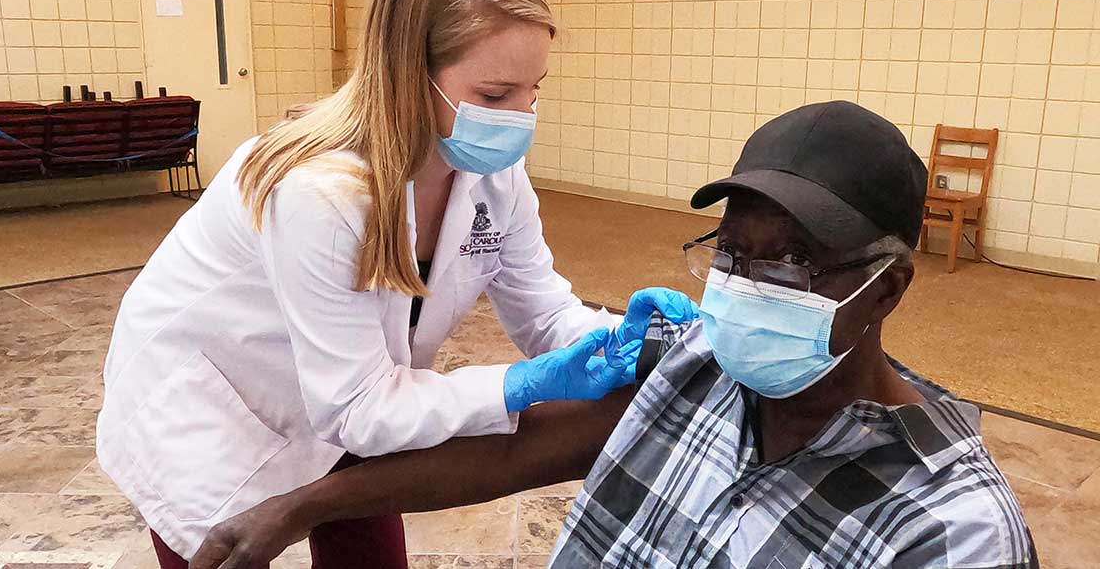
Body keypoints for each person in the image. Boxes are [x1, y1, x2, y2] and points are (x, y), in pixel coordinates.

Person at [191, 101, 1038, 569]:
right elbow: (514, 453)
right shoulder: (704, 366)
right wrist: (297, 508)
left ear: (886, 286)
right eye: (733, 258)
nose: (744, 295)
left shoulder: (949, 531)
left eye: (790, 268)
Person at [94, 0, 696, 565]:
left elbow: (544, 313)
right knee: (222, 552)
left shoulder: (492, 176)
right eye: (495, 96)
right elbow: (359, 408)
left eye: (533, 90)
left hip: (358, 394)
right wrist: (518, 384)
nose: (522, 117)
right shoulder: (320, 191)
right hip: (210, 407)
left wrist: (620, 336)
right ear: (409, 73)